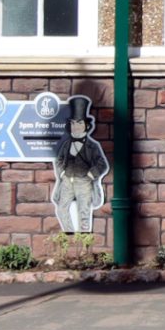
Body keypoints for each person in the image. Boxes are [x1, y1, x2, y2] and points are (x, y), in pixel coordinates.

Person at [51, 95, 110, 234]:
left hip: (84, 181)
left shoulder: (92, 146)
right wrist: (62, 173)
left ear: (86, 126)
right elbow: (59, 160)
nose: (75, 127)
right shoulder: (66, 144)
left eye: (78, 123)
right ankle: (70, 234)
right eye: (72, 124)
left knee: (84, 211)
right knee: (61, 208)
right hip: (67, 181)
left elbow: (102, 164)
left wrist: (90, 175)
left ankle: (84, 239)